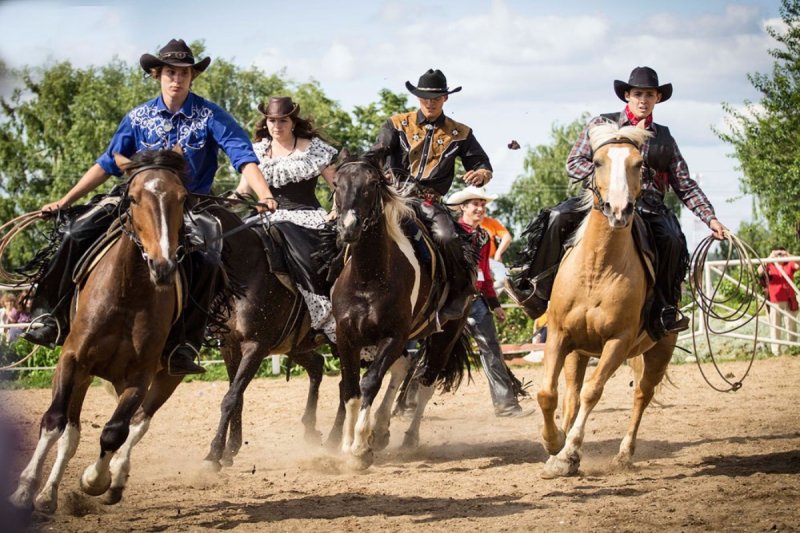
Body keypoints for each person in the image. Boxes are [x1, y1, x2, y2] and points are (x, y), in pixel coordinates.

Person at [22, 39, 277, 375]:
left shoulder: (211, 115)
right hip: (136, 200)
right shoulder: (138, 116)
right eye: (170, 72)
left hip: (189, 204)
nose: (177, 79)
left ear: (192, 77)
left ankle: (184, 342)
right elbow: (106, 163)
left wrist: (265, 194)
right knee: (74, 229)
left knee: (211, 256)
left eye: (184, 73)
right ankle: (49, 316)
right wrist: (66, 200)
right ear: (157, 74)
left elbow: (243, 158)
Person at [510, 66, 727, 340]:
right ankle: (536, 289)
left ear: (658, 98)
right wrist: (605, 176)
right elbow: (574, 162)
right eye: (638, 94)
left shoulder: (665, 138)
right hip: (600, 198)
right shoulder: (601, 125)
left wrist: (710, 218)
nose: (643, 100)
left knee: (672, 238)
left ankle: (665, 308)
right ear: (627, 95)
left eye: (650, 95)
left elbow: (684, 183)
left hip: (647, 204)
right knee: (555, 217)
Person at [375, 68, 493, 322]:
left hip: (429, 202)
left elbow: (481, 163)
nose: (430, 103)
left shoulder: (460, 132)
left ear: (445, 99)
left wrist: (481, 174)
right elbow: (378, 153)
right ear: (417, 98)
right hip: (394, 197)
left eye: (436, 98)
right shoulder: (395, 124)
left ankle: (458, 293)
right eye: (425, 98)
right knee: (355, 228)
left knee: (448, 238)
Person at [237, 96, 339, 341]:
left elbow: (339, 187)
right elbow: (243, 190)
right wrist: (227, 201)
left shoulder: (313, 149)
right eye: (272, 120)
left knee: (302, 250)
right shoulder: (257, 151)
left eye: (282, 120)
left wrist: (336, 209)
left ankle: (325, 318)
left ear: (293, 122)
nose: (276, 126)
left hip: (305, 217)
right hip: (264, 217)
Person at [449, 186, 531, 417]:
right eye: (475, 203)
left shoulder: (483, 237)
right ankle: (406, 403)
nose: (480, 208)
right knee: (435, 351)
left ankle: (506, 404)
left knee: (492, 350)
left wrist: (495, 305)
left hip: (476, 302)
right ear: (463, 207)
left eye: (483, 204)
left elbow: (484, 273)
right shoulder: (451, 232)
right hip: (451, 301)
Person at [758, 247, 798, 355]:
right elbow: (759, 271)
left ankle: (793, 348)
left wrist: (788, 254)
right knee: (775, 325)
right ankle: (776, 351)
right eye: (778, 254)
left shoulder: (789, 264)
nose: (780, 256)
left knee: (791, 324)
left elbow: (798, 263)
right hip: (775, 300)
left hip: (790, 299)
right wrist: (770, 257)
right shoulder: (770, 265)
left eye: (781, 254)